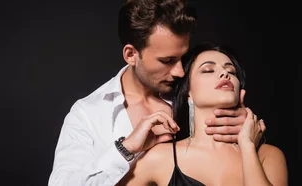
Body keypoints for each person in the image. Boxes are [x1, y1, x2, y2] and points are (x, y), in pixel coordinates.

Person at [47, 0, 265, 185]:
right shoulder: (89, 114)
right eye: (167, 61)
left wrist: (240, 126)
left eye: (184, 57)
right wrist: (126, 148)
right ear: (131, 54)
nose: (180, 71)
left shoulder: (197, 90)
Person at [117, 42, 287, 185]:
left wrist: (248, 146)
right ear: (188, 91)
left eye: (232, 72)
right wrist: (127, 148)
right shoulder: (161, 157)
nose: (225, 74)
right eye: (208, 70)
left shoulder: (267, 155)